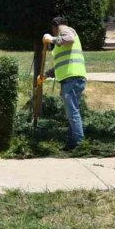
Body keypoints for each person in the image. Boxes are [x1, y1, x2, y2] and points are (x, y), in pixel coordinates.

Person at [43, 16, 87, 150]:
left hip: (72, 78)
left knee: (72, 112)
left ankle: (79, 144)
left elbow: (69, 39)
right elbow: (60, 65)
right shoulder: (60, 44)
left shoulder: (66, 30)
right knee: (71, 112)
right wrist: (45, 75)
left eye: (53, 30)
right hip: (70, 79)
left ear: (56, 26)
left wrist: (51, 39)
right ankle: (73, 142)